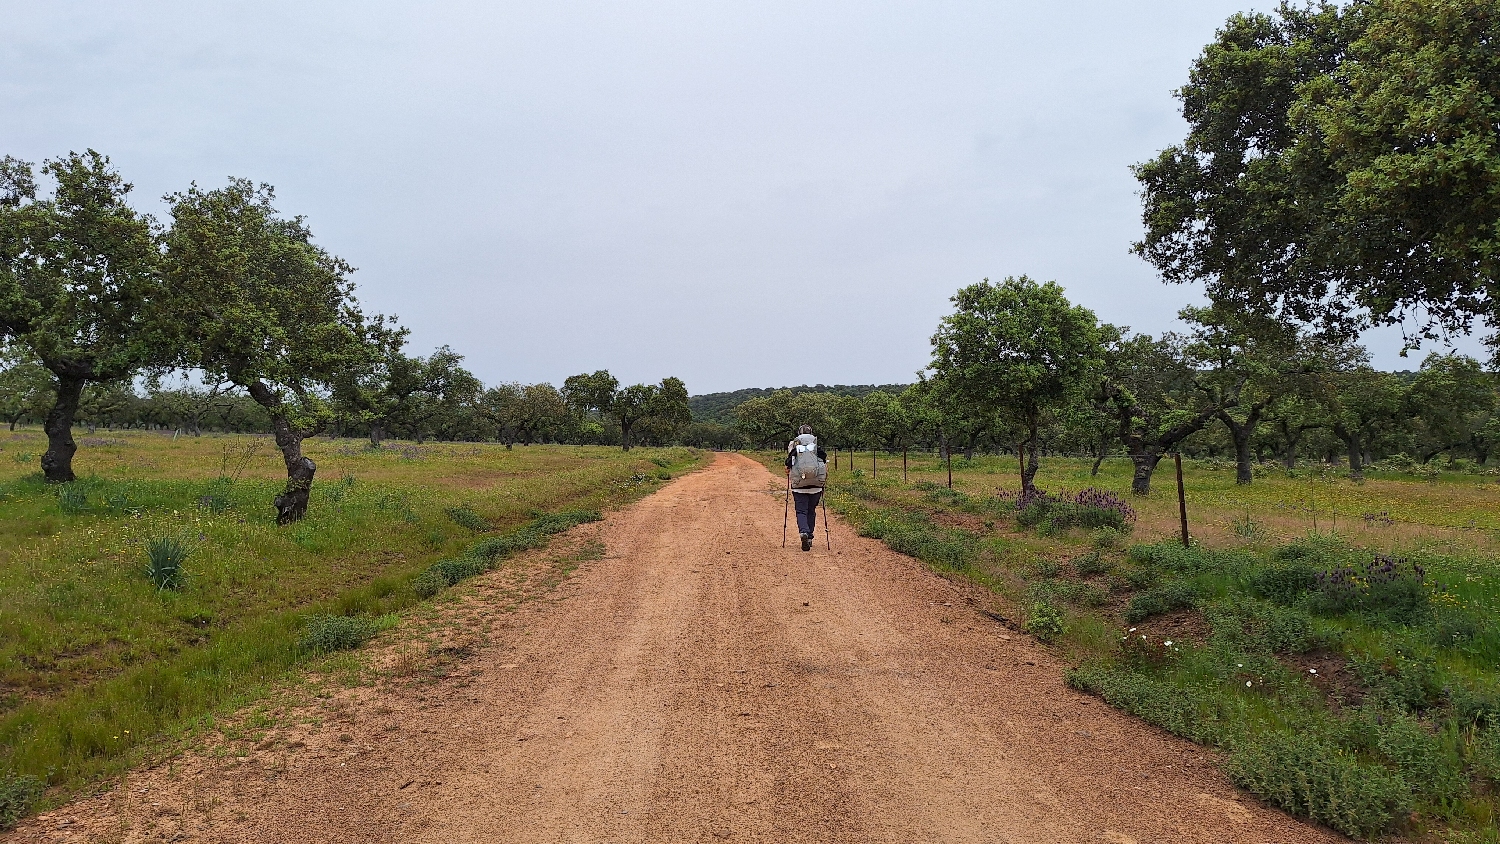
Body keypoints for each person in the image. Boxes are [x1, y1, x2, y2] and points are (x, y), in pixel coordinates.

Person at [785, 424, 827, 551]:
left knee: (801, 511)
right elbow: (824, 458)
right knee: (811, 511)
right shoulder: (815, 447)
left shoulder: (795, 447)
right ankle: (809, 537)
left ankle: (804, 531)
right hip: (816, 485)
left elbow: (788, 463)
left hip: (799, 486)